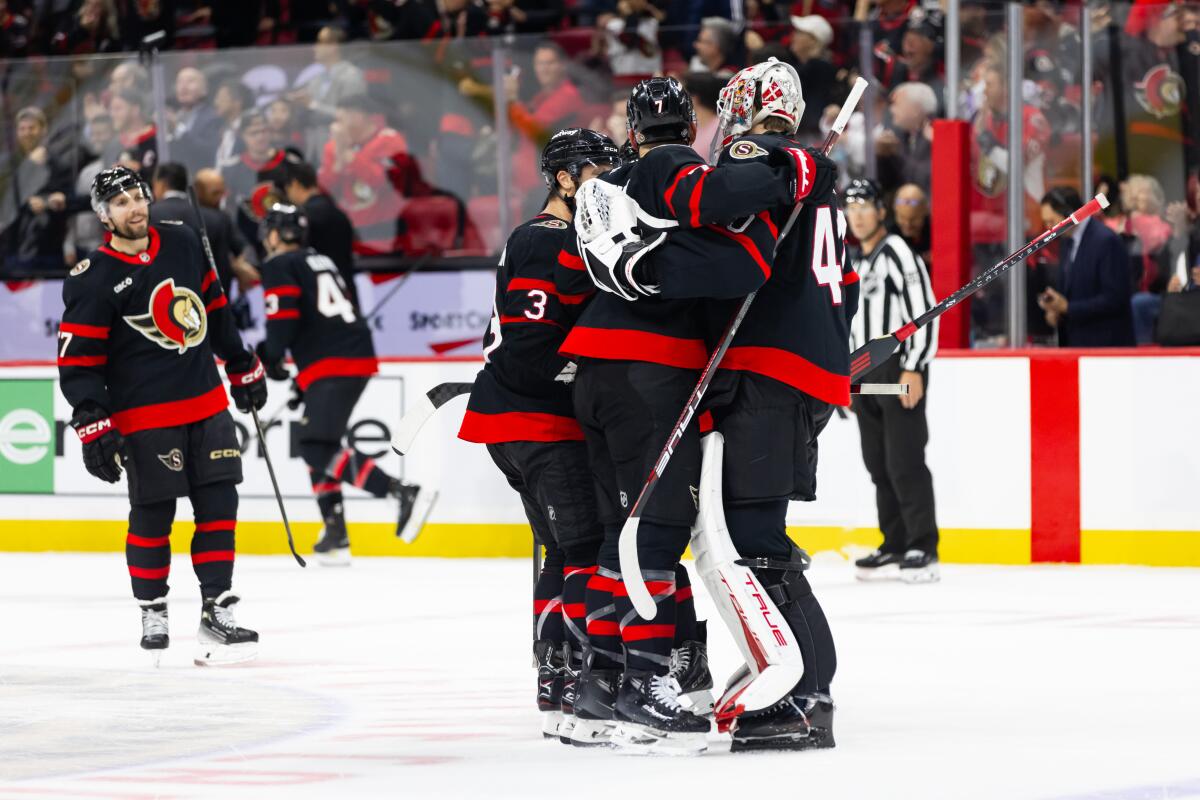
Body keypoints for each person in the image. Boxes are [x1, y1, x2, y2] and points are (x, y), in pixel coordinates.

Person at [555, 76, 805, 754]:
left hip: (595, 370)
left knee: (620, 534)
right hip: (648, 370)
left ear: (631, 128)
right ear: (688, 128)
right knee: (660, 526)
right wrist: (789, 167)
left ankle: (596, 687)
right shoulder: (669, 165)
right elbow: (720, 215)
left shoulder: (615, 183)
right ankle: (644, 686)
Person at [686, 58, 849, 753]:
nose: (723, 130)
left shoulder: (765, 155)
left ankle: (806, 693)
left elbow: (718, 196)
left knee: (757, 543)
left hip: (768, 371)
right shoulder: (810, 170)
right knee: (756, 538)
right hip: (796, 371)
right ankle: (792, 678)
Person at [57, 166, 268, 664]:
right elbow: (78, 360)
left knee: (220, 504)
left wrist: (240, 362)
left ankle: (217, 608)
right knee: (155, 513)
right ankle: (153, 607)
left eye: (138, 196)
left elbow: (212, 306)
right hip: (145, 414)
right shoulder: (93, 278)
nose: (134, 207)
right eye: (121, 202)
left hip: (206, 401)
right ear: (103, 216)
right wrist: (92, 420)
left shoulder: (182, 242)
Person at [457, 129, 620, 742]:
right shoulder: (544, 238)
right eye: (596, 171)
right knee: (581, 552)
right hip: (538, 422)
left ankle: (555, 675)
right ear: (564, 178)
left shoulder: (556, 237)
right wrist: (585, 376)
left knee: (563, 551)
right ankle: (578, 680)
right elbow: (527, 346)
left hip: (522, 422)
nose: (606, 183)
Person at [255, 204, 432, 563]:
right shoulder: (319, 259)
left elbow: (284, 319)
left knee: (315, 447)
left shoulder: (278, 265)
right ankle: (335, 533)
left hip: (332, 360)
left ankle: (400, 492)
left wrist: (269, 357)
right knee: (319, 442)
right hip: (346, 355)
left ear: (274, 234)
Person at [845, 178, 940, 583]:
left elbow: (924, 312)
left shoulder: (898, 252)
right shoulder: (853, 259)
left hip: (897, 370)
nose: (859, 215)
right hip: (862, 373)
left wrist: (914, 367)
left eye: (866, 206)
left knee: (904, 460)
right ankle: (894, 542)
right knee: (878, 463)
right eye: (852, 208)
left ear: (881, 211)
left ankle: (922, 544)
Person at [317, 94, 431, 255]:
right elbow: (324, 191)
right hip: (348, 234)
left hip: (385, 233)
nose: (336, 127)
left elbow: (386, 181)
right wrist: (339, 161)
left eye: (340, 120)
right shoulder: (333, 147)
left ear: (358, 117)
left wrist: (350, 156)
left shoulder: (390, 140)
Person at [1037, 186, 1136, 347]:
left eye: (1052, 222)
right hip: (1076, 343)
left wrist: (1068, 307)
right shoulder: (1067, 242)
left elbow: (1115, 298)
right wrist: (1057, 310)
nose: (1049, 229)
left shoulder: (1105, 241)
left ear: (1069, 215)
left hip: (1105, 346)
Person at [150, 162, 260, 294]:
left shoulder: (148, 216)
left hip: (162, 300)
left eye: (222, 192)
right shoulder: (218, 219)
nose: (220, 198)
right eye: (215, 193)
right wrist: (240, 266)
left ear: (160, 184)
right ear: (197, 189)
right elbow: (241, 250)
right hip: (211, 302)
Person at [0, 106, 75, 274]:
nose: (27, 133)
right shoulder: (9, 166)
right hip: (12, 251)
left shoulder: (58, 164)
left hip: (48, 251)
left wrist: (48, 202)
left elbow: (69, 198)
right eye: (22, 129)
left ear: (43, 130)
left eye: (32, 128)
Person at [220, 108, 294, 256]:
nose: (260, 137)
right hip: (248, 241)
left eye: (264, 131)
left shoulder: (289, 164)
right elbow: (229, 210)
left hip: (286, 241)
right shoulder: (231, 169)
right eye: (253, 133)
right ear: (242, 136)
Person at [283, 159, 357, 304]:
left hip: (319, 297)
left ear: (295, 184)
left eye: (288, 190)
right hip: (346, 292)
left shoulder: (302, 218)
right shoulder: (340, 214)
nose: (289, 196)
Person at [168, 67, 224, 174]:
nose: (183, 87)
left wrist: (178, 129)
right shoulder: (173, 117)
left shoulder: (212, 118)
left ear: (204, 90)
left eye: (190, 81)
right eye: (180, 82)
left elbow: (208, 152)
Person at [109, 89, 158, 179]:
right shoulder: (113, 145)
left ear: (135, 109)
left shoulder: (159, 138)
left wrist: (140, 170)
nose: (112, 114)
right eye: (111, 109)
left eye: (118, 109)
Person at [891, 182, 931, 263]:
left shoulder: (935, 234)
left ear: (925, 212)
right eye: (902, 217)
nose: (907, 224)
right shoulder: (890, 237)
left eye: (913, 219)